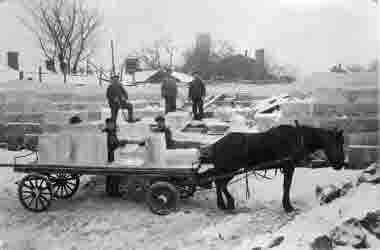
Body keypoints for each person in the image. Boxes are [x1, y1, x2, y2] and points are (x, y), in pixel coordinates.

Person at [102, 118, 145, 196]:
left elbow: (115, 142)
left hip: (113, 155)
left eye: (113, 124)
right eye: (110, 124)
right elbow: (111, 143)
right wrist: (120, 143)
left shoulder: (112, 132)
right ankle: (113, 192)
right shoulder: (105, 133)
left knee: (111, 175)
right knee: (114, 174)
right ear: (107, 125)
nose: (112, 126)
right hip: (109, 156)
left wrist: (122, 142)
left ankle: (109, 191)